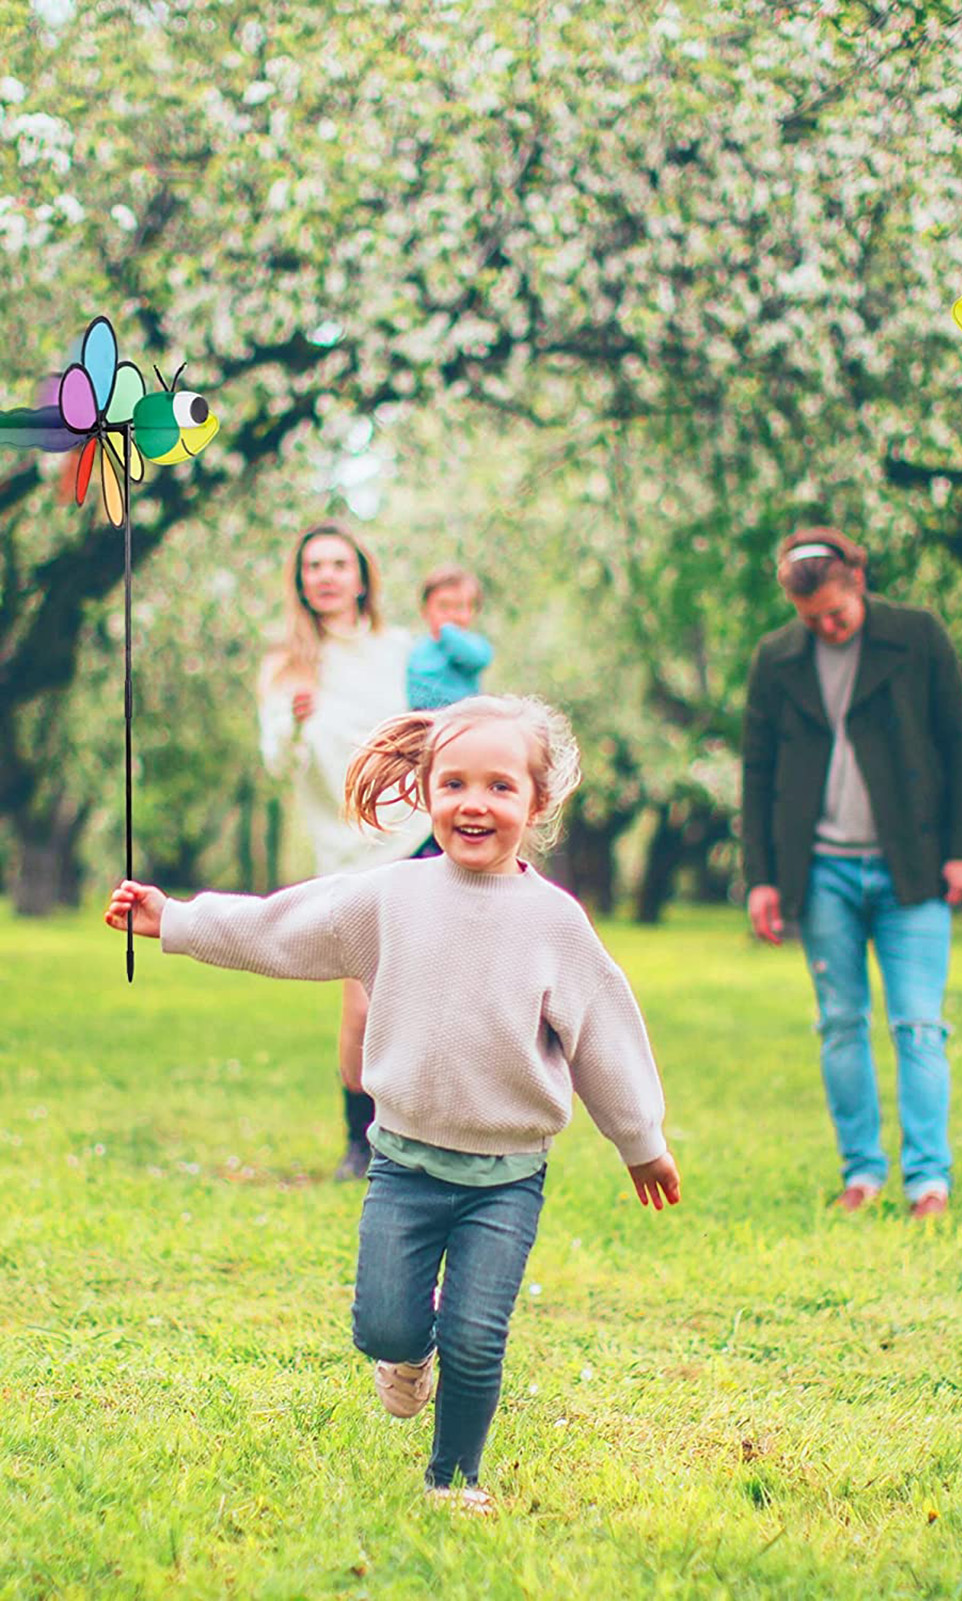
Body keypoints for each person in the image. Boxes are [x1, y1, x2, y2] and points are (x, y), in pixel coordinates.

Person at [106, 694, 682, 1512]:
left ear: (537, 802)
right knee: (384, 1326)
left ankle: (453, 1479)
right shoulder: (390, 897)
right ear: (424, 791)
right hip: (404, 1165)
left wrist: (641, 1139)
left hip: (505, 1177)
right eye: (453, 784)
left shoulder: (555, 922)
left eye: (498, 786)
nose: (473, 803)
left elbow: (606, 1036)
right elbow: (280, 927)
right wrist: (176, 919)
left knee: (477, 1339)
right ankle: (407, 1351)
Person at [741, 527, 962, 1219]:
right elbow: (756, 771)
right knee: (841, 1022)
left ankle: (927, 1180)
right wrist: (761, 876)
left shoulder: (917, 635)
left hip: (912, 864)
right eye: (810, 617)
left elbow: (957, 742)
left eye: (835, 611)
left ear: (857, 578)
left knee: (916, 1022)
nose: (825, 626)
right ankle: (861, 1172)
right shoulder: (778, 658)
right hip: (820, 870)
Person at [259, 522, 432, 1181]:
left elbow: (436, 720)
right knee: (363, 1002)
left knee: (429, 990)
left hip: (419, 833)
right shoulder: (288, 666)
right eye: (313, 567)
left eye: (338, 564)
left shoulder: (400, 649)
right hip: (349, 851)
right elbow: (277, 761)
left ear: (361, 575)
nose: (326, 576)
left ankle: (425, 1135)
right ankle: (358, 1141)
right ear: (300, 581)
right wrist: (296, 720)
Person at [408, 564, 495, 711]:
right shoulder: (417, 649)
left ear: (474, 612)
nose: (452, 615)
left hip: (460, 719)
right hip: (423, 719)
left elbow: (477, 658)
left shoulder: (474, 645)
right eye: (443, 606)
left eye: (460, 607)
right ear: (425, 610)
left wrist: (447, 632)